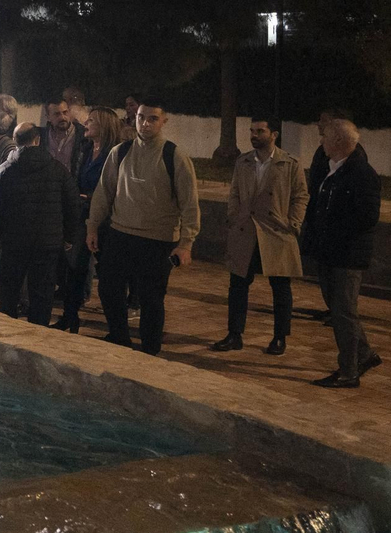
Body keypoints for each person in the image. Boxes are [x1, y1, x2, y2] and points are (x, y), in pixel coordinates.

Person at [85, 95, 201, 354]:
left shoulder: (174, 156)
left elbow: (190, 203)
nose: (145, 124)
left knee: (151, 298)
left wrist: (186, 243)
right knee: (109, 289)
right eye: (141, 118)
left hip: (158, 240)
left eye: (152, 119)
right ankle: (120, 338)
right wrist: (92, 226)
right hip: (120, 234)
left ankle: (150, 350)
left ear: (163, 121)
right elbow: (104, 192)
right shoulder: (120, 152)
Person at [211, 117, 308, 356]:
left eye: (260, 131)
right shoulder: (243, 161)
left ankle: (280, 337)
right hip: (245, 231)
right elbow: (234, 192)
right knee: (237, 285)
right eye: (252, 131)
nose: (254, 135)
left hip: (276, 231)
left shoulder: (290, 163)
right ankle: (234, 334)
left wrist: (293, 223)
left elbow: (300, 196)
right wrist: (234, 217)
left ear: (274, 134)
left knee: (281, 287)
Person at [300, 119, 382, 388]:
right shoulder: (331, 169)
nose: (321, 141)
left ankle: (348, 372)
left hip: (347, 256)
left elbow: (367, 218)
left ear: (338, 141)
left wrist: (333, 232)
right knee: (338, 309)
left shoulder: (362, 174)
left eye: (324, 137)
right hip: (328, 252)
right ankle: (365, 355)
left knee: (343, 312)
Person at [0, 123, 83, 326]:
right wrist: (69, 237)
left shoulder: (4, 170)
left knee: (9, 291)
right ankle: (38, 333)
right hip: (47, 242)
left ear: (15, 141)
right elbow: (73, 205)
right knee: (42, 293)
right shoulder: (57, 169)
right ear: (38, 140)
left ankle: (7, 331)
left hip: (13, 242)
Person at [55, 106, 124, 332]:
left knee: (109, 276)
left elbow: (115, 189)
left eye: (91, 121)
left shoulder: (115, 154)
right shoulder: (85, 149)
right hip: (82, 216)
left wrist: (93, 197)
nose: (86, 124)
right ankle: (70, 317)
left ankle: (117, 329)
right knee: (74, 268)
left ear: (104, 125)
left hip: (106, 221)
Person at [42, 96, 84, 174]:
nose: (62, 117)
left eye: (65, 112)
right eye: (57, 114)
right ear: (48, 117)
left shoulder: (82, 135)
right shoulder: (42, 136)